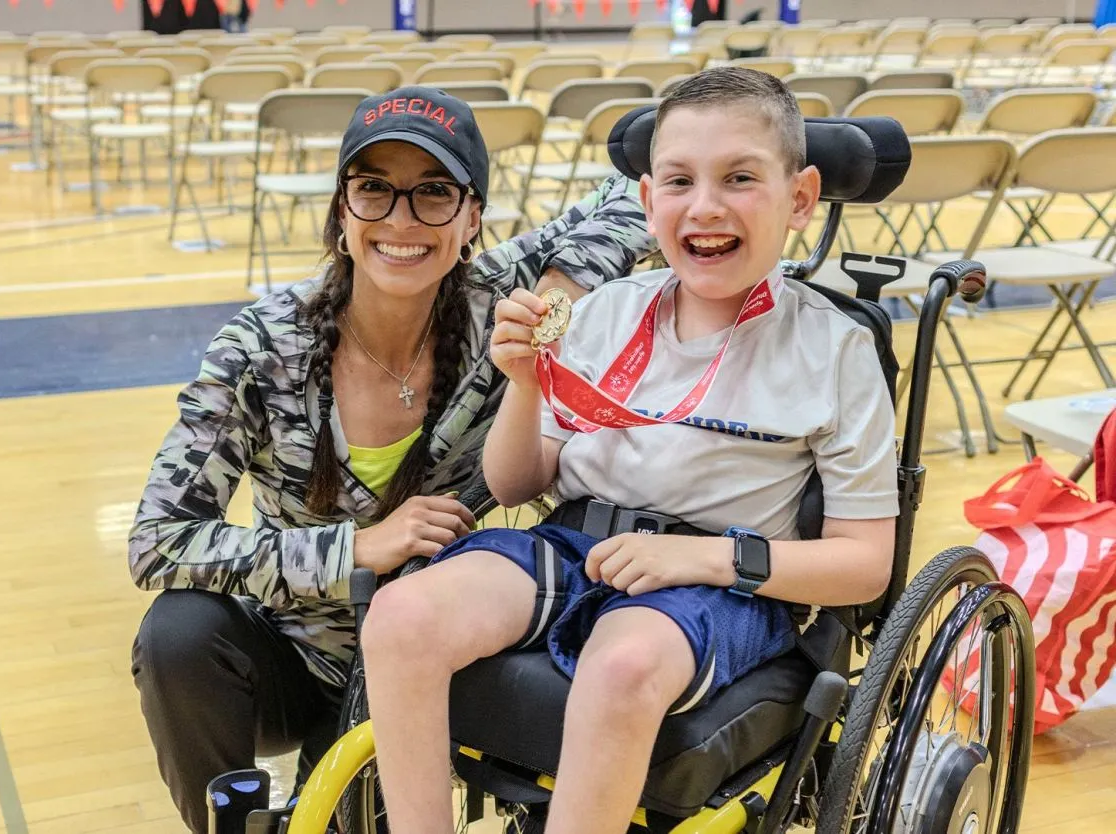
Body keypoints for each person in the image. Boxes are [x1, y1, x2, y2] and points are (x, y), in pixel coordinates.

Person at [361, 67, 901, 834]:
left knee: (622, 664)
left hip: (725, 582)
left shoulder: (836, 350)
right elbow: (515, 482)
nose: (705, 206)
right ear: (648, 202)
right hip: (575, 542)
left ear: (802, 197)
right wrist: (524, 383)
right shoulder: (603, 312)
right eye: (679, 180)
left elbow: (864, 565)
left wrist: (705, 561)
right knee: (400, 618)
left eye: (740, 177)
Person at [127, 85, 656, 833]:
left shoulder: (491, 302)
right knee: (177, 633)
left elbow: (634, 192)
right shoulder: (262, 347)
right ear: (341, 211)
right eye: (373, 191)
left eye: (433, 194)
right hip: (296, 653)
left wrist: (558, 295)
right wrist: (357, 549)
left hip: (425, 661)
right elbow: (156, 542)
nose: (401, 221)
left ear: (472, 216)